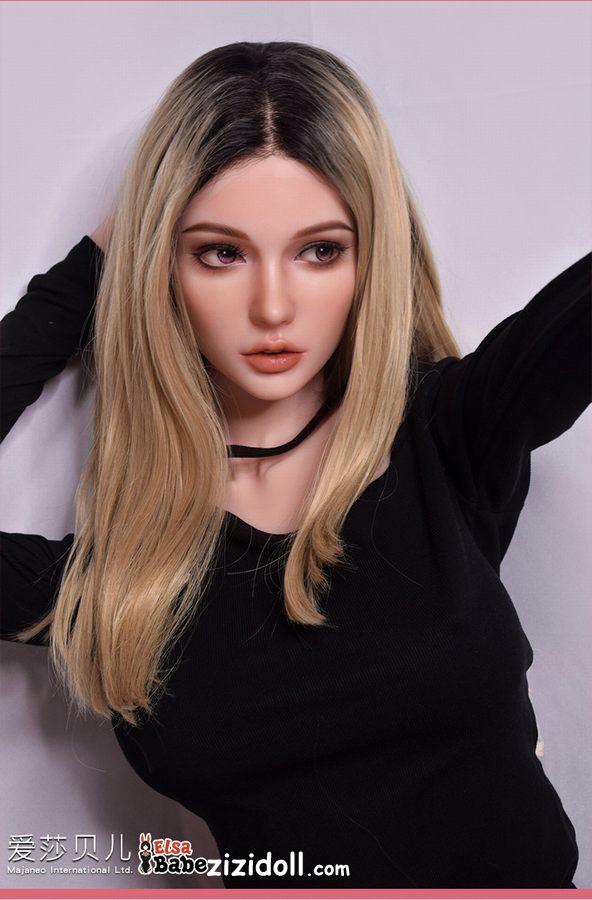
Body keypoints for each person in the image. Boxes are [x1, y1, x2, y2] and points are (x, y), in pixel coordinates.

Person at [1, 40, 589, 890]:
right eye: (221, 253)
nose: (272, 307)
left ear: (371, 256)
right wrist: (89, 276)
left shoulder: (447, 434)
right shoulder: (119, 583)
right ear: (161, 268)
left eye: (320, 251)